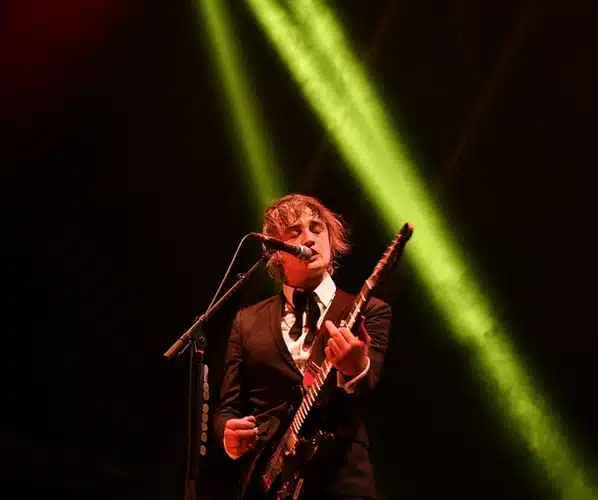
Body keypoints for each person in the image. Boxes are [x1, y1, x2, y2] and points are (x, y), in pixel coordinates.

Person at [213, 193, 392, 500]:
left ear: (331, 240)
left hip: (342, 480)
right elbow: (228, 408)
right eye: (294, 232)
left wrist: (355, 368)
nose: (309, 238)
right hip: (268, 486)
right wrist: (227, 433)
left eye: (317, 228)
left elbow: (369, 389)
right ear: (276, 253)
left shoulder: (369, 310)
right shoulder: (247, 321)